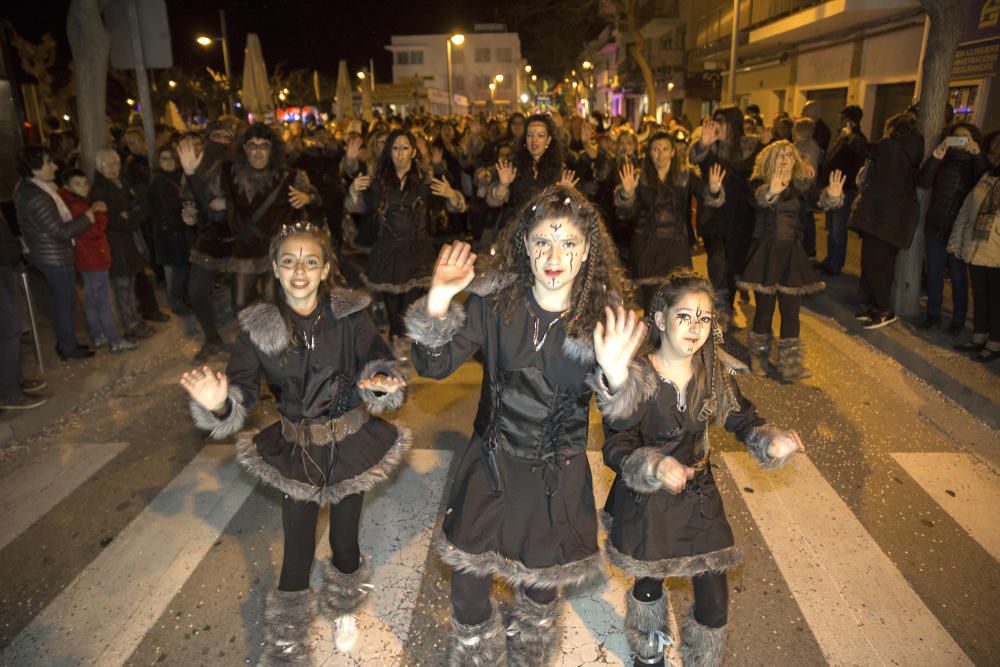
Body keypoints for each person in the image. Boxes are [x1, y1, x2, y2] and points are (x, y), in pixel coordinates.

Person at [405, 185, 647, 665]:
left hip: (556, 484)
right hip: (489, 470)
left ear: (586, 254)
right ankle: (476, 656)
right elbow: (432, 366)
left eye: (569, 244)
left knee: (538, 596)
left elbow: (626, 418)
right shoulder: (493, 304)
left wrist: (618, 376)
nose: (554, 256)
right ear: (525, 248)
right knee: (468, 585)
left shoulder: (601, 321)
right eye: (542, 242)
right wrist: (437, 302)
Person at [180, 221, 410, 662]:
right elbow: (242, 390)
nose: (299, 270)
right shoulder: (258, 328)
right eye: (289, 261)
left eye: (309, 261)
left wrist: (382, 381)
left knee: (345, 542)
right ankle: (287, 638)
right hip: (296, 450)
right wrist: (219, 403)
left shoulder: (349, 315)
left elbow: (377, 358)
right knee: (297, 546)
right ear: (275, 268)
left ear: (325, 269)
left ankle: (344, 607)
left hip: (350, 445)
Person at [598, 271, 804, 667]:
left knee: (714, 599)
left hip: (698, 494)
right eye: (685, 317)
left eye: (704, 319)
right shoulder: (636, 376)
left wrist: (769, 440)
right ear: (660, 320)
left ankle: (701, 660)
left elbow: (743, 420)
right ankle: (649, 651)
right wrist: (654, 465)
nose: (695, 328)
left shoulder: (713, 374)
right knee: (649, 581)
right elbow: (617, 445)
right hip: (647, 498)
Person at [346, 128, 466, 357]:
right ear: (389, 151)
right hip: (388, 248)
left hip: (416, 248)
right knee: (392, 301)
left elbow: (456, 206)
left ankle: (405, 337)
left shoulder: (425, 181)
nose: (400, 154)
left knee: (411, 299)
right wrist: (352, 192)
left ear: (413, 152)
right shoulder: (378, 181)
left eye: (405, 148)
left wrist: (452, 195)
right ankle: (395, 336)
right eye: (395, 148)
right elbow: (359, 208)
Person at [738, 141, 846, 381]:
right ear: (769, 160)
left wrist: (831, 196)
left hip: (791, 256)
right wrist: (771, 192)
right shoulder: (758, 183)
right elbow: (757, 200)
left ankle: (790, 365)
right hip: (765, 255)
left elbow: (818, 202)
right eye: (779, 155)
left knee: (791, 313)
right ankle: (758, 356)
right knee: (764, 312)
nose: (785, 158)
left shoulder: (801, 185)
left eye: (789, 154)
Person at [615, 131, 726, 307]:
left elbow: (708, 198)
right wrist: (626, 194)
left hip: (676, 247)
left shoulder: (685, 175)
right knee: (652, 304)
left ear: (673, 152)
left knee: (677, 299)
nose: (661, 154)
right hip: (647, 248)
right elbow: (623, 214)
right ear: (649, 152)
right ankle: (652, 335)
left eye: (665, 149)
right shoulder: (637, 176)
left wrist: (713, 190)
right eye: (656, 149)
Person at [14, 145, 98, 360]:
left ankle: (68, 343)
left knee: (64, 301)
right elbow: (59, 231)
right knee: (64, 302)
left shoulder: (34, 188)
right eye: (48, 163)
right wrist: (87, 218)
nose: (55, 166)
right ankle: (68, 347)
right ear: (34, 169)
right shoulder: (37, 195)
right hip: (54, 256)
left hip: (51, 253)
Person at [849, 112, 924, 329]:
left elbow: (864, 148)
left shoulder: (890, 146)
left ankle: (883, 309)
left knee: (872, 263)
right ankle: (877, 306)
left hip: (881, 216)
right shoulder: (913, 148)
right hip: (898, 217)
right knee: (885, 264)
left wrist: (850, 135)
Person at [689, 107, 762, 323]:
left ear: (734, 125)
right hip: (713, 215)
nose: (717, 125)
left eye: (723, 121)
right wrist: (704, 144)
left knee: (733, 262)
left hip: (741, 216)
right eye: (715, 120)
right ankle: (721, 309)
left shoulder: (750, 148)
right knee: (717, 260)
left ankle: (727, 303)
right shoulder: (709, 146)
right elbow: (696, 159)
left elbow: (766, 166)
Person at [917, 122, 988, 332]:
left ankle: (958, 319)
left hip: (959, 230)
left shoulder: (975, 164)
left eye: (965, 138)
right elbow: (923, 182)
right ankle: (933, 314)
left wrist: (978, 155)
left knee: (958, 277)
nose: (960, 142)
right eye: (956, 138)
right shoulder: (943, 160)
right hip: (936, 225)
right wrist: (935, 158)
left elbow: (987, 181)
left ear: (973, 140)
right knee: (935, 273)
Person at [58, 169, 137, 353]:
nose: (83, 188)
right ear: (68, 186)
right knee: (102, 301)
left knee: (92, 300)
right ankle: (114, 339)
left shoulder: (75, 202)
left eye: (85, 184)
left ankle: (98, 335)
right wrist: (100, 213)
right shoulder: (77, 206)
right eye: (78, 184)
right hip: (93, 259)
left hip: (88, 260)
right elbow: (94, 231)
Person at [177, 127, 234, 361]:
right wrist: (189, 211)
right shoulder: (197, 165)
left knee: (247, 298)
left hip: (240, 237)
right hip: (209, 237)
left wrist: (229, 204)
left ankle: (256, 343)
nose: (221, 141)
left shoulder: (241, 165)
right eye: (216, 136)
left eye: (226, 136)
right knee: (196, 292)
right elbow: (190, 198)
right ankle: (212, 338)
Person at [90, 147, 157, 341]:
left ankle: (134, 319)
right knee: (122, 286)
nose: (113, 168)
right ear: (99, 166)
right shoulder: (100, 190)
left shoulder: (121, 183)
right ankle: (130, 324)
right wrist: (130, 216)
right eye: (108, 164)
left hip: (129, 243)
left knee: (130, 284)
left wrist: (131, 214)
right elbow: (114, 220)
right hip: (116, 245)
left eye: (116, 163)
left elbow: (140, 206)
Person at [486, 114, 575, 233]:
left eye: (540, 135)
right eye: (530, 135)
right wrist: (503, 185)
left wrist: (567, 194)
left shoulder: (559, 169)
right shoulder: (512, 165)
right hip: (516, 231)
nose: (534, 140)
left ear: (548, 140)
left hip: (547, 232)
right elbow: (493, 201)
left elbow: (568, 209)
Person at [948, 159, 1000, 362]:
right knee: (979, 295)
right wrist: (956, 241)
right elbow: (966, 210)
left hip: (996, 251)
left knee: (997, 300)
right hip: (976, 245)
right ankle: (979, 336)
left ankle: (995, 343)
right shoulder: (987, 177)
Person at [0, 210, 48, 410]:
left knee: (12, 326)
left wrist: (14, 256)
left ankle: (15, 379)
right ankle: (9, 391)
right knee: (9, 327)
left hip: (4, 266)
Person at [817, 105, 866, 276]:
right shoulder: (843, 137)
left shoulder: (857, 139)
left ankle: (836, 263)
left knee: (838, 228)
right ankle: (831, 259)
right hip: (834, 188)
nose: (839, 121)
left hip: (844, 189)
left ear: (849, 120)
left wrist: (848, 137)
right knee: (832, 227)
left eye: (842, 118)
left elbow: (856, 160)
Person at [147, 145, 193, 317]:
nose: (168, 162)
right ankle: (176, 303)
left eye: (171, 158)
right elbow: (161, 211)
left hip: (177, 231)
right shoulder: (159, 183)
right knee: (177, 270)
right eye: (164, 159)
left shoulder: (172, 179)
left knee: (181, 268)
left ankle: (181, 300)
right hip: (170, 234)